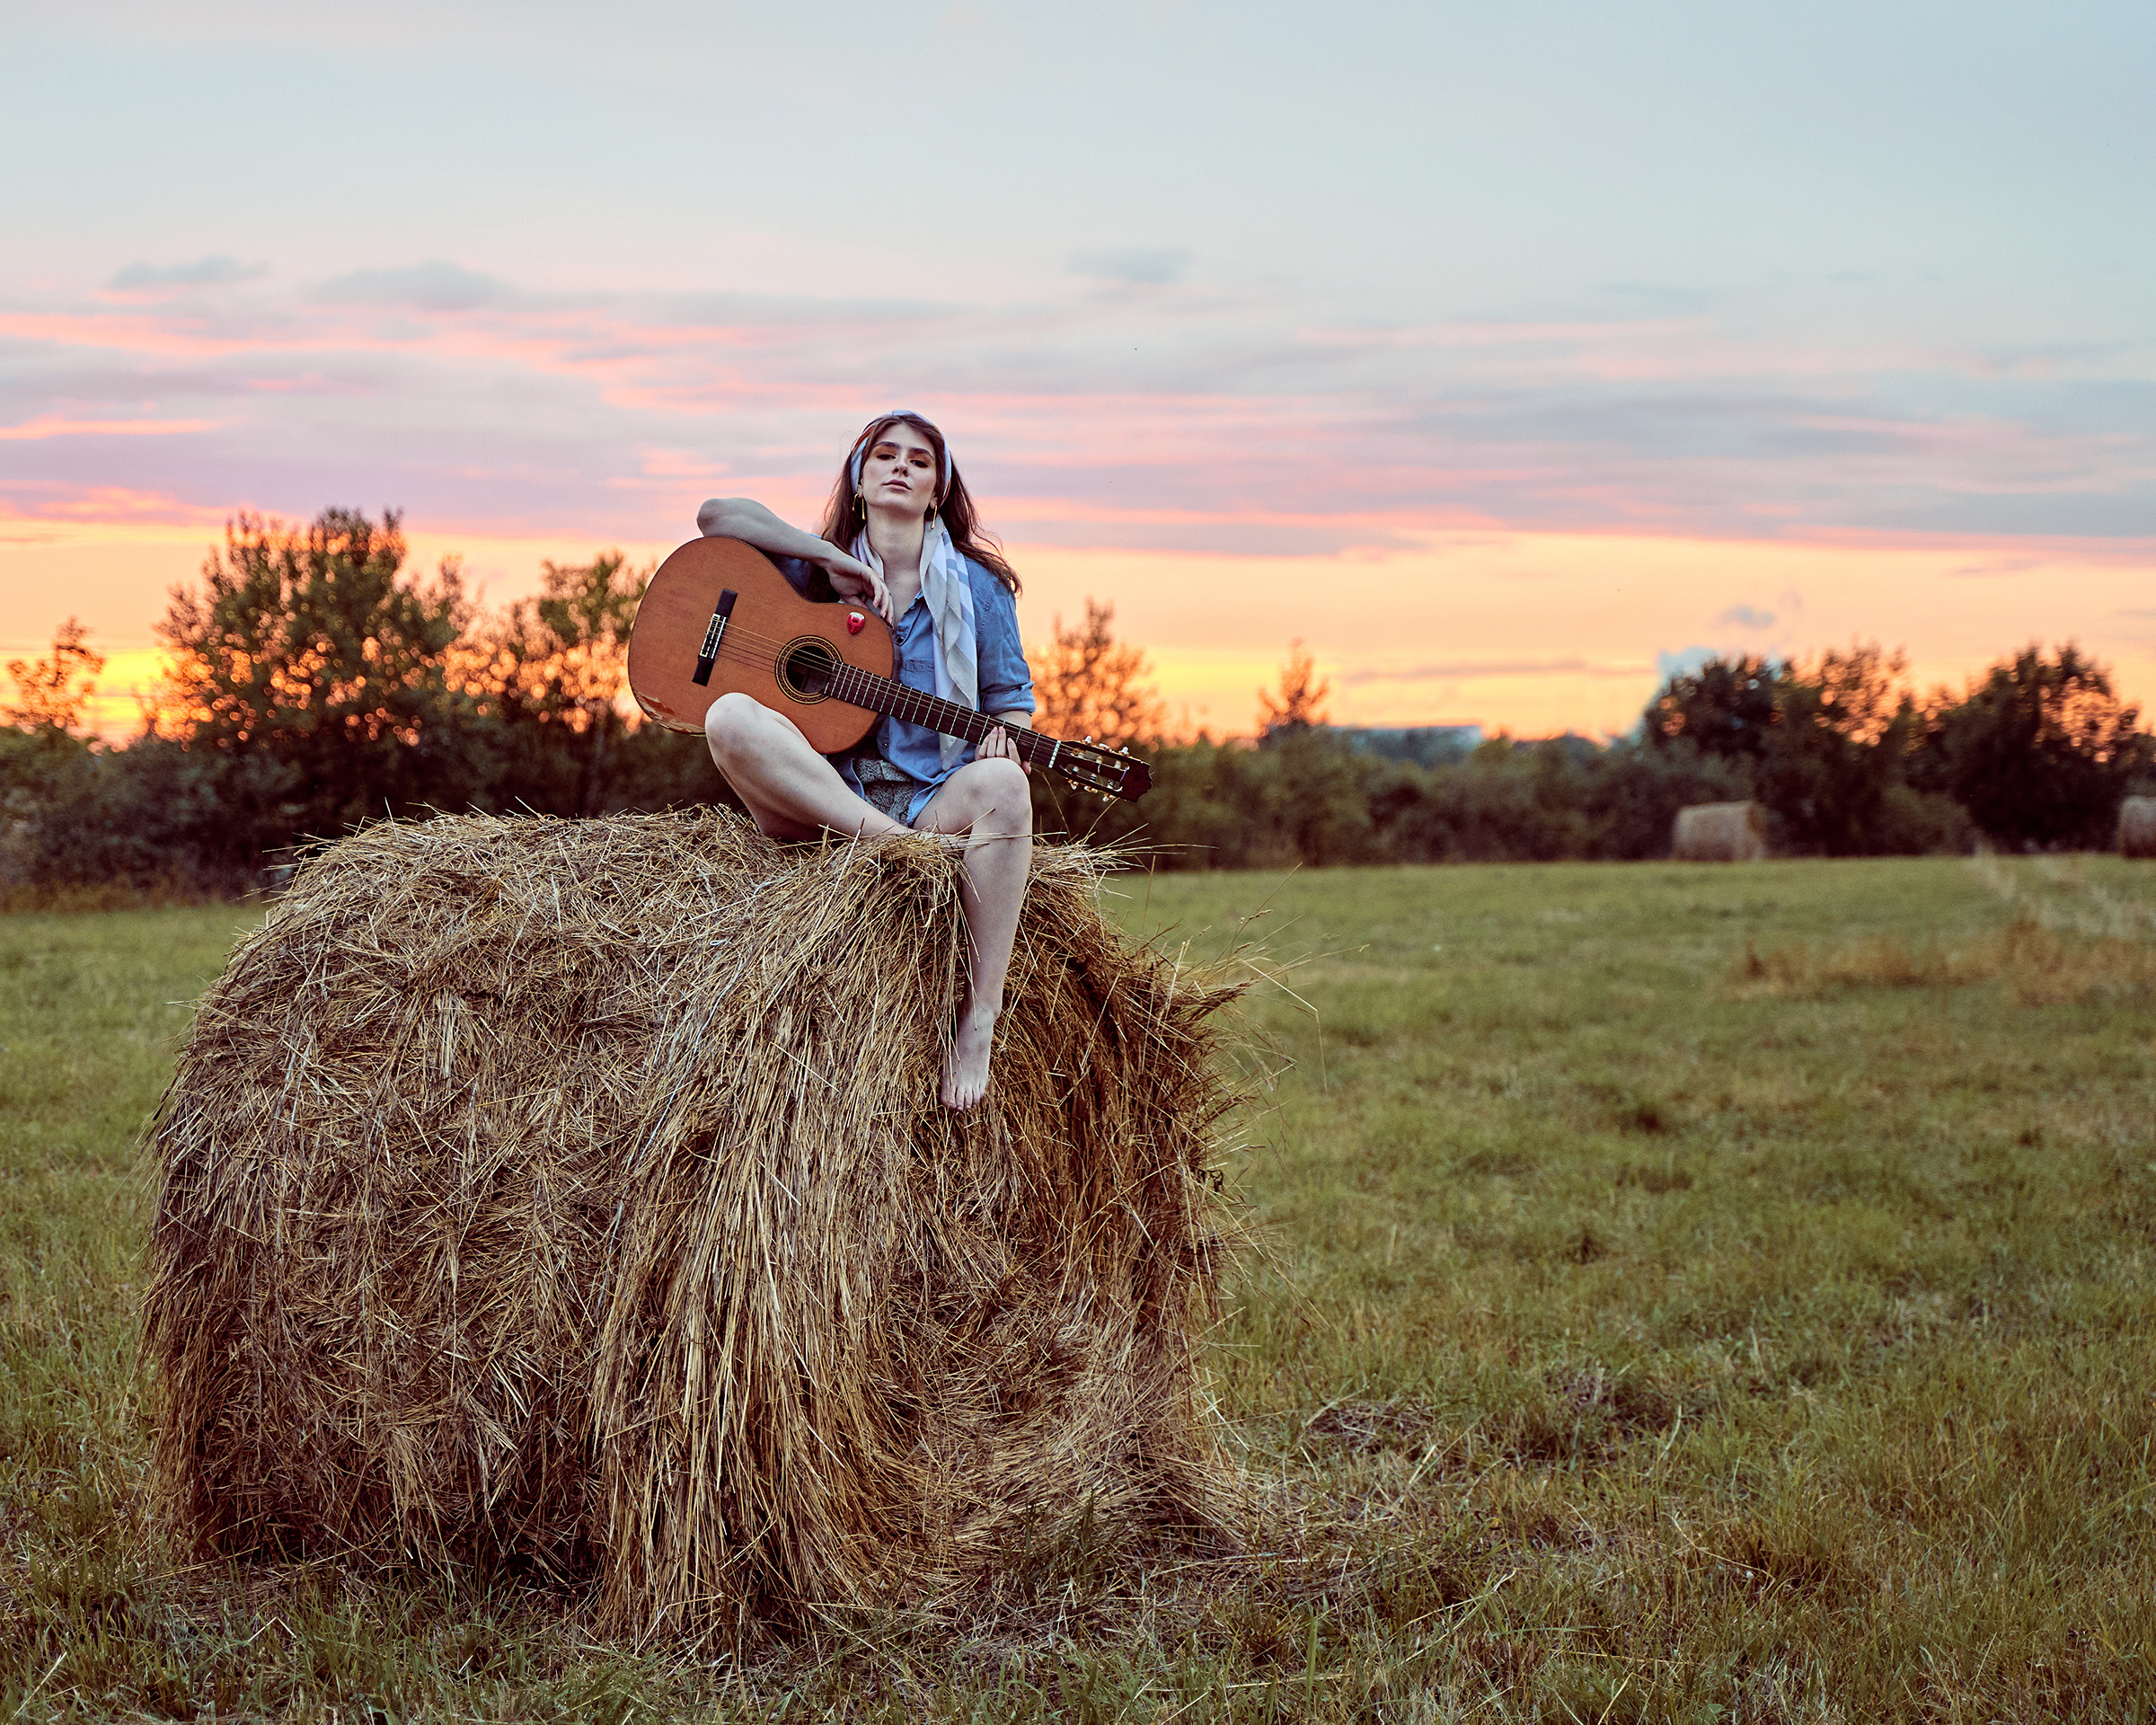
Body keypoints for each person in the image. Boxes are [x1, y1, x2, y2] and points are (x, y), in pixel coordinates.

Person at [694, 411, 1035, 1111]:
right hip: (817, 799)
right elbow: (715, 515)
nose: (900, 467)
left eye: (919, 459)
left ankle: (979, 1020)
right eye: (884, 455)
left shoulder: (979, 590)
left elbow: (1010, 701)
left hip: (928, 797)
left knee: (1004, 783)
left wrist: (1007, 736)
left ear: (938, 489)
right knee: (727, 715)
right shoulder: (813, 572)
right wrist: (829, 560)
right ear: (858, 477)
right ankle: (896, 851)